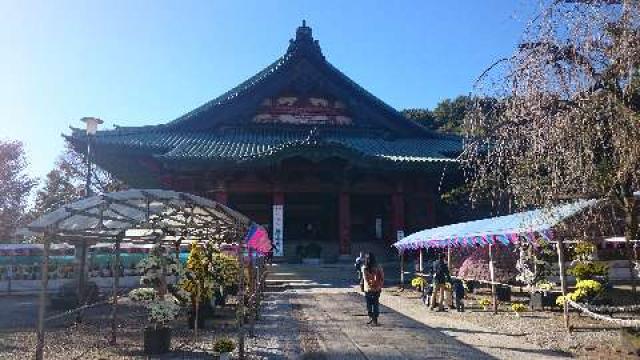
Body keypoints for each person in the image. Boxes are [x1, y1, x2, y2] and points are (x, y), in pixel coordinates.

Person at [362, 252, 384, 325]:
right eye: (367, 259)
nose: (368, 260)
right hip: (370, 289)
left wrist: (378, 286)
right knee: (371, 304)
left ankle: (374, 319)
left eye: (369, 259)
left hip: (374, 289)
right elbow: (366, 279)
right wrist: (374, 285)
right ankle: (372, 318)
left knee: (373, 304)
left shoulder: (377, 267)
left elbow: (381, 278)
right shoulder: (365, 268)